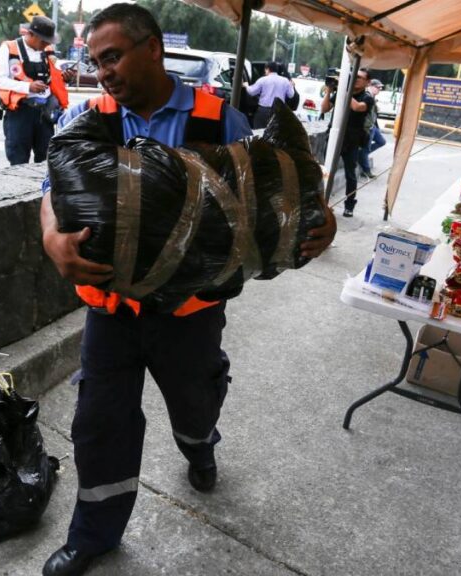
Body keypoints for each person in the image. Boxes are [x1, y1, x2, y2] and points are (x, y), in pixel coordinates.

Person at [38, 5, 337, 575]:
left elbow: (272, 191)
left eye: (114, 56)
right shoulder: (88, 118)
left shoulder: (218, 120)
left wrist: (323, 222)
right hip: (111, 312)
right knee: (100, 421)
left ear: (153, 49)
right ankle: (94, 534)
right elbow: (50, 188)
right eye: (96, 61)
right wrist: (53, 235)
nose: (104, 72)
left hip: (191, 315)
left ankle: (200, 446)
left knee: (193, 402)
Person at [0, 15, 74, 165]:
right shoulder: (9, 48)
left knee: (46, 160)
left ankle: (43, 189)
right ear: (30, 34)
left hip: (44, 114)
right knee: (18, 160)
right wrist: (27, 87)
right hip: (20, 113)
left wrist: (65, 78)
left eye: (48, 41)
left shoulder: (47, 51)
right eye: (43, 41)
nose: (46, 45)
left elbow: (53, 78)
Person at [321, 68, 374, 217]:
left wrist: (345, 89)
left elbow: (357, 107)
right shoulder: (341, 93)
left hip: (352, 141)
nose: (356, 79)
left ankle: (349, 205)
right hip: (334, 138)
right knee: (326, 172)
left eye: (360, 77)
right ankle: (322, 202)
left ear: (367, 82)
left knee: (350, 175)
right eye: (354, 77)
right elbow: (324, 109)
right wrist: (329, 92)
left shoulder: (367, 98)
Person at [244, 61, 296, 129]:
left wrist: (246, 86)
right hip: (278, 112)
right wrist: (292, 86)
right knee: (275, 134)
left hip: (263, 111)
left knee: (259, 133)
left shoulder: (262, 80)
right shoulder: (285, 81)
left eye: (265, 70)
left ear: (267, 69)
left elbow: (252, 92)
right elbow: (291, 95)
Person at [358, 78, 387, 180]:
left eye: (380, 88)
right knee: (365, 149)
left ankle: (362, 155)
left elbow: (373, 115)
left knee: (382, 141)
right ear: (371, 86)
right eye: (378, 87)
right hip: (367, 127)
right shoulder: (366, 97)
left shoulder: (372, 97)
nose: (379, 89)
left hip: (372, 126)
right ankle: (366, 171)